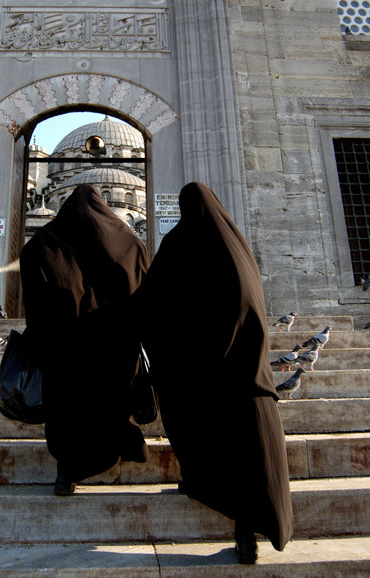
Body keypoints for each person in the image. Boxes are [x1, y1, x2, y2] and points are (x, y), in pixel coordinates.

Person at [131, 182, 293, 564]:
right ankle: (246, 531)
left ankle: (199, 482)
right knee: (248, 456)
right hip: (245, 371)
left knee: (202, 433)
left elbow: (150, 301)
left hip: (200, 373)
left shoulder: (179, 243)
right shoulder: (237, 246)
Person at [20, 184, 150, 495]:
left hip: (64, 350)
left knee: (68, 409)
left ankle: (67, 473)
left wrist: (41, 338)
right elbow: (144, 294)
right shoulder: (128, 244)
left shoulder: (42, 244)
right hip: (114, 348)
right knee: (109, 402)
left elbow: (35, 299)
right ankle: (113, 451)